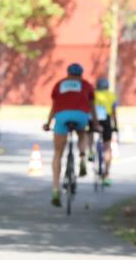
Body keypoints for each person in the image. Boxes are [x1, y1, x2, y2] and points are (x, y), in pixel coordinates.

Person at [43, 63, 100, 206]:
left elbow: (54, 106)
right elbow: (92, 107)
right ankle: (82, 157)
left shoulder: (59, 84)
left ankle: (56, 188)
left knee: (57, 153)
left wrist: (48, 123)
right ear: (81, 74)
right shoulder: (86, 85)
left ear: (67, 73)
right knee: (82, 134)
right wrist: (96, 124)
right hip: (81, 116)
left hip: (62, 116)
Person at [93, 77, 119, 186]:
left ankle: (89, 150)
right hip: (106, 119)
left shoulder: (93, 94)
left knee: (88, 134)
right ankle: (107, 174)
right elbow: (113, 112)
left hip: (93, 119)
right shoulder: (112, 95)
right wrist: (115, 126)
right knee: (107, 147)